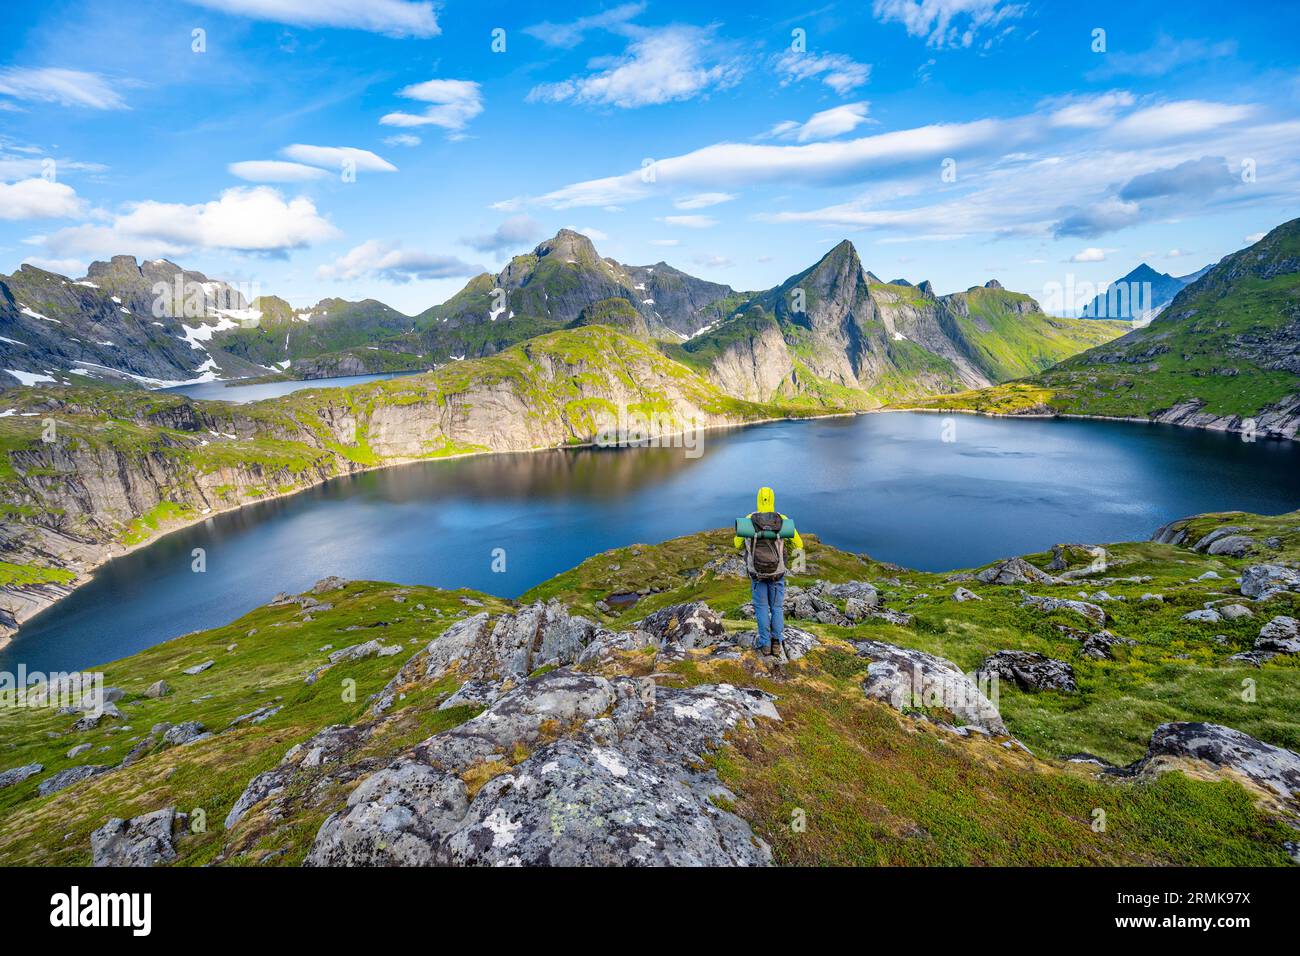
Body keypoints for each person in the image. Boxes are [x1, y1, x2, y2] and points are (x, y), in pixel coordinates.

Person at [733, 487, 804, 656]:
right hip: (777, 573)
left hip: (756, 573)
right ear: (773, 499)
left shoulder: (749, 519)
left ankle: (765, 645)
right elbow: (799, 545)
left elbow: (736, 544)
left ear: (758, 499)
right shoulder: (782, 519)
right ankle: (776, 643)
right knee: (777, 608)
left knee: (761, 607)